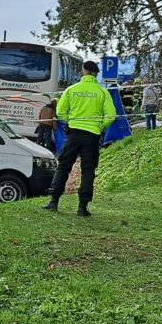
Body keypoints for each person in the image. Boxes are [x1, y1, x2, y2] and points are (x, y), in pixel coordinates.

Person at [43, 60, 116, 217]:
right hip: (92, 136)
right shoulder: (102, 92)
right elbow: (111, 115)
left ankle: (53, 202)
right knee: (88, 171)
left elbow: (60, 112)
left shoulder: (71, 89)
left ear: (83, 71)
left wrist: (71, 121)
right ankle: (82, 207)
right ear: (96, 73)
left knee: (63, 167)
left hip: (74, 134)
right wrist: (100, 126)